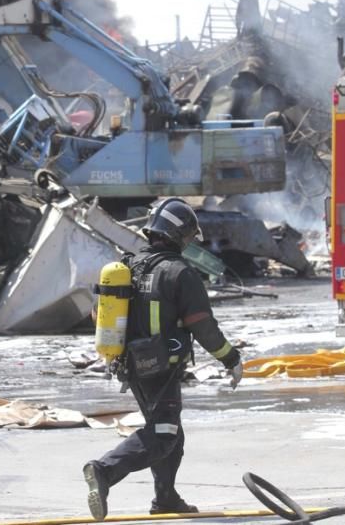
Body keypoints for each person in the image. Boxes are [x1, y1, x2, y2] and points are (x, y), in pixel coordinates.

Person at [83, 198, 244, 521]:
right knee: (164, 434)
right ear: (179, 235)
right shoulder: (180, 273)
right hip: (161, 368)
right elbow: (203, 325)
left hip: (131, 366)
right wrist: (231, 358)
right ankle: (104, 471)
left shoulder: (130, 265)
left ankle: (166, 499)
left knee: (170, 433)